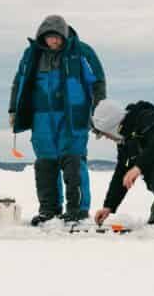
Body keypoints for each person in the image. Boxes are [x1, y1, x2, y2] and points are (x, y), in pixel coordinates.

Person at [8, 14, 106, 226]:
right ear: (42, 37)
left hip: (73, 116)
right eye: (48, 37)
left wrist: (99, 108)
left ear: (64, 36)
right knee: (45, 163)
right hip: (41, 117)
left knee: (72, 161)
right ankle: (49, 210)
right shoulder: (31, 55)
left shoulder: (81, 52)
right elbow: (19, 81)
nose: (53, 41)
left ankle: (77, 210)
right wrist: (13, 110)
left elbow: (98, 80)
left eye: (56, 37)